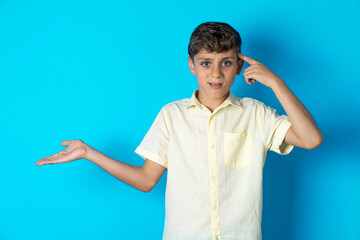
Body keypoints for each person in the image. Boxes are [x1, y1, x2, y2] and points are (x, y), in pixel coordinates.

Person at [36, 22, 323, 240]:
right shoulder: (172, 115)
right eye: (206, 63)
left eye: (226, 63)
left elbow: (311, 139)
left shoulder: (255, 113)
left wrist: (276, 83)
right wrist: (89, 153)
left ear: (238, 66)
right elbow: (147, 179)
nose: (216, 73)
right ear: (192, 66)